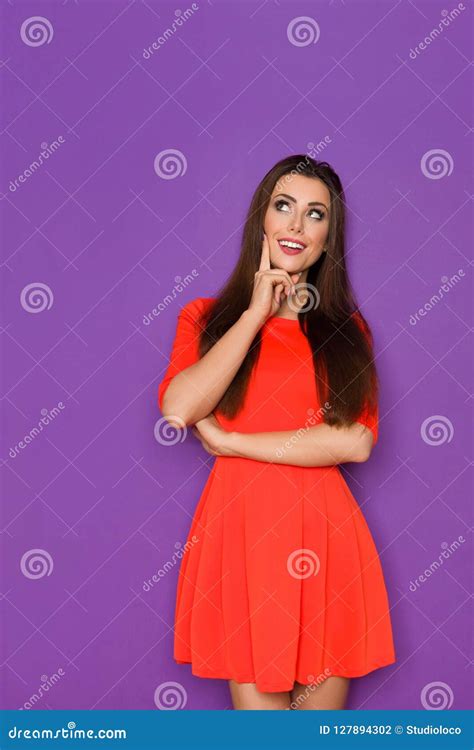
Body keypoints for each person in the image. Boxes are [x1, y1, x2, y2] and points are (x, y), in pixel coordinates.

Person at [157, 155, 396, 710]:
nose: (296, 225)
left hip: (326, 537)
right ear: (261, 221)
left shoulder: (345, 330)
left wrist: (234, 443)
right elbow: (180, 408)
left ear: (328, 237)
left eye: (316, 215)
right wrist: (255, 315)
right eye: (284, 207)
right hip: (243, 538)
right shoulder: (205, 317)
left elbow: (354, 441)